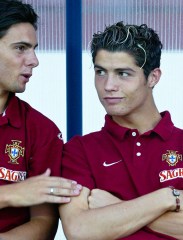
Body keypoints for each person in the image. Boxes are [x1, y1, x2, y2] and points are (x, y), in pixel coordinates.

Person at [59, 21, 183, 240]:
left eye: (123, 74)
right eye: (100, 72)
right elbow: (80, 231)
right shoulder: (79, 151)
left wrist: (115, 207)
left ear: (153, 77)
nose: (108, 85)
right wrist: (166, 199)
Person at [0, 0, 82, 239]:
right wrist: (11, 195)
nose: (34, 60)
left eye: (34, 48)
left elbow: (44, 223)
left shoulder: (42, 130)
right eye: (21, 48)